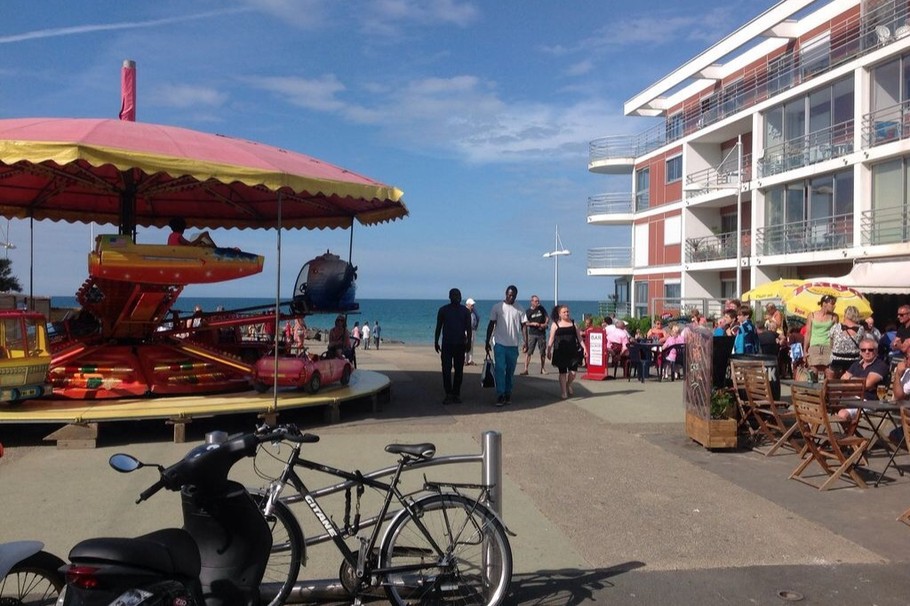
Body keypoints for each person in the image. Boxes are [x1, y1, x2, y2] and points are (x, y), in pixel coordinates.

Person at [485, 285, 524, 406]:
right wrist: (487, 341)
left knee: (510, 371)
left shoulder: (520, 309)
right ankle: (500, 394)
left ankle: (508, 393)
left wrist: (526, 342)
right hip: (499, 343)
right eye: (509, 294)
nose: (511, 297)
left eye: (513, 295)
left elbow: (524, 326)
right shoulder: (497, 307)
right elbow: (491, 324)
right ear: (505, 294)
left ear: (516, 296)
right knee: (500, 369)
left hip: (513, 345)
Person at [838, 337, 890, 424]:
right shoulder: (856, 364)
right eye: (863, 350)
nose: (867, 352)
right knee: (820, 405)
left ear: (876, 351)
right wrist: (856, 381)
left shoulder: (880, 366)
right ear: (860, 352)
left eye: (870, 349)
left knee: (842, 414)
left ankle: (847, 435)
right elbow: (842, 380)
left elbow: (867, 384)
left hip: (867, 401)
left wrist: (850, 380)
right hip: (849, 398)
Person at [434, 288, 472, 404]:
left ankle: (456, 393)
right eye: (455, 295)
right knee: (446, 369)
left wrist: (469, 342)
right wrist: (436, 341)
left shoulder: (465, 311)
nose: (457, 297)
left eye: (459, 295)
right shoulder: (443, 310)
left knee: (459, 370)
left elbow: (469, 328)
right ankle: (448, 393)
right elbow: (439, 327)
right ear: (450, 297)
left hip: (460, 344)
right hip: (447, 344)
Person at [546, 304, 586, 399]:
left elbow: (580, 338)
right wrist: (548, 350)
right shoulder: (555, 324)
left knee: (573, 373)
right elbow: (551, 339)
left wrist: (585, 348)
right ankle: (564, 392)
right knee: (562, 372)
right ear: (559, 314)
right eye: (564, 312)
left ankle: (568, 384)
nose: (567, 313)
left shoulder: (573, 323)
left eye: (567, 311)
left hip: (572, 351)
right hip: (560, 351)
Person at [804, 294, 838, 379]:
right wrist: (805, 350)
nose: (834, 306)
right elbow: (808, 333)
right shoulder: (812, 315)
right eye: (832, 303)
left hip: (827, 346)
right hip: (814, 346)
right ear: (824, 304)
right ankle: (813, 391)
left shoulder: (834, 317)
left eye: (834, 304)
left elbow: (835, 334)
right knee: (813, 371)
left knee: (828, 372)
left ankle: (827, 391)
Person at [829, 306, 865, 379]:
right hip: (853, 360)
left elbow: (831, 344)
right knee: (850, 383)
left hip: (837, 360)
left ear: (845, 315)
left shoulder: (835, 327)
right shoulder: (861, 329)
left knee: (834, 382)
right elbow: (862, 344)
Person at [520, 295, 549, 375]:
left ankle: (542, 369)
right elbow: (525, 323)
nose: (537, 303)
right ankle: (526, 369)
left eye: (538, 301)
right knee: (528, 352)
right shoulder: (528, 311)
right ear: (532, 302)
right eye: (536, 301)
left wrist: (545, 324)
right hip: (532, 334)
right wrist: (533, 323)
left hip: (541, 333)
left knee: (542, 352)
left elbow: (547, 317)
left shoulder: (541, 309)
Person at [465, 298, 479, 365]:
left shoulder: (474, 311)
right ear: (468, 304)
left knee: (471, 345)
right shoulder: (464, 311)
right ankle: (464, 360)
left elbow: (478, 318)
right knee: (465, 345)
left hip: (473, 330)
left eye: (473, 305)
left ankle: (470, 360)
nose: (473, 306)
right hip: (465, 331)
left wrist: (476, 327)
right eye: (472, 305)